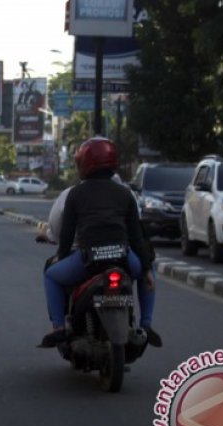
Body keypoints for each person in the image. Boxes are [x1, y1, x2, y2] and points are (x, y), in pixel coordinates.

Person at [39, 137, 162, 348]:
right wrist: (147, 270)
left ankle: (59, 327)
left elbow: (67, 234)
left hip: (88, 260)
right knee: (146, 271)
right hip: (123, 258)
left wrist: (61, 255)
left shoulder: (75, 194)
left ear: (85, 163)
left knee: (51, 275)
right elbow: (136, 236)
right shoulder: (125, 194)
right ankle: (146, 324)